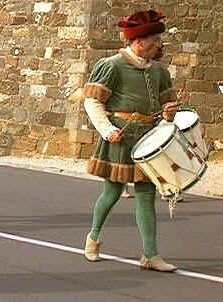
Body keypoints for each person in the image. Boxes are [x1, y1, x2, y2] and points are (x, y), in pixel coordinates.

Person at [83, 10, 179, 272]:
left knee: (147, 196)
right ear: (139, 42)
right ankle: (93, 238)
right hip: (120, 137)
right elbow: (92, 101)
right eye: (155, 40)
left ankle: (150, 255)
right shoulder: (112, 65)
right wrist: (107, 130)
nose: (159, 44)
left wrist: (169, 111)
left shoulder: (159, 70)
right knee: (112, 193)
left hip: (147, 139)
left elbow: (166, 102)